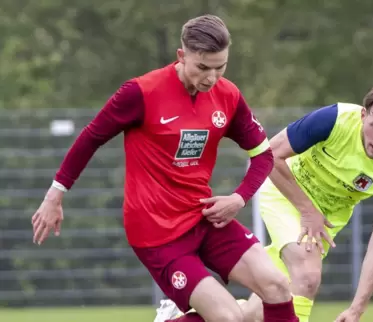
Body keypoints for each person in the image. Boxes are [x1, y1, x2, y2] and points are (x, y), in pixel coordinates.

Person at [31, 14, 299, 322]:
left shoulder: (228, 96)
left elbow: (264, 155)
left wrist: (239, 198)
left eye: (220, 67)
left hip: (204, 218)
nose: (211, 77)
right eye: (202, 67)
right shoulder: (140, 92)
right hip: (157, 234)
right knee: (230, 318)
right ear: (181, 56)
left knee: (277, 287)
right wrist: (56, 194)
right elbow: (91, 138)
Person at [155, 81, 373, 322]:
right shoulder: (335, 119)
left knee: (260, 310)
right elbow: (269, 155)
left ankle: (178, 317)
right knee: (307, 275)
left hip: (325, 221)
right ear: (363, 114)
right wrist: (307, 210)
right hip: (285, 191)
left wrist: (356, 309)